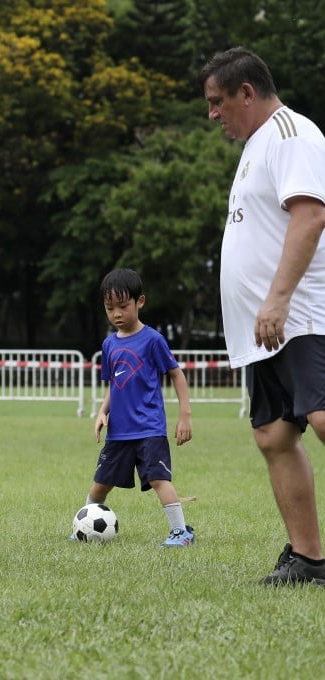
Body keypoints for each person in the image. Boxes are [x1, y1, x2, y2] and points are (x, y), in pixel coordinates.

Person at [200, 47, 325, 585]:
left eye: (217, 102)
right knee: (275, 435)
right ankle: (309, 560)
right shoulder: (256, 145)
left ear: (246, 92)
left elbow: (311, 214)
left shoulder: (294, 134)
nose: (212, 114)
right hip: (265, 330)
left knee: (323, 418)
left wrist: (277, 299)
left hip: (300, 315)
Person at [79, 268, 194, 547]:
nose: (116, 313)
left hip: (149, 428)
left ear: (139, 302)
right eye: (109, 308)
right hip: (119, 431)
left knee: (158, 479)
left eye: (123, 306)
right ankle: (82, 526)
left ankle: (181, 532)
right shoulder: (108, 345)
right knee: (100, 484)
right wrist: (101, 412)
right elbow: (114, 386)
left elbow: (177, 375)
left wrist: (184, 416)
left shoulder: (153, 340)